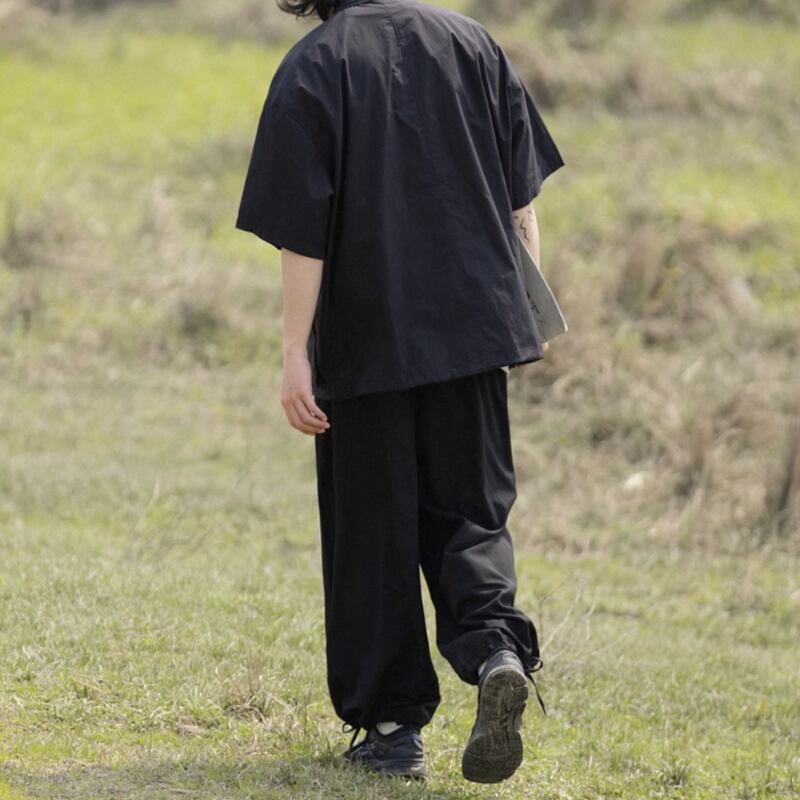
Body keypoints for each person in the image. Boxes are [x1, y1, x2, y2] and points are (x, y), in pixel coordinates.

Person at [235, 0, 565, 784]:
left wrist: (293, 351)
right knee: (472, 518)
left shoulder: (314, 66)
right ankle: (496, 650)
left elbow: (303, 233)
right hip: (474, 333)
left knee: (372, 531)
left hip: (366, 345)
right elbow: (520, 205)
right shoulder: (473, 44)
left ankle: (391, 731)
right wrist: (526, 313)